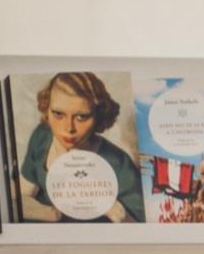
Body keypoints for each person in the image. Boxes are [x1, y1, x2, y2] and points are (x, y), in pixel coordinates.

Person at [17, 71, 145, 223]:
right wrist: (49, 214)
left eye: (81, 117)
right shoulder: (42, 137)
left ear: (98, 115)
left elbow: (141, 227)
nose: (68, 128)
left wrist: (119, 214)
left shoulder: (118, 163)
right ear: (47, 109)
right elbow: (25, 193)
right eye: (58, 114)